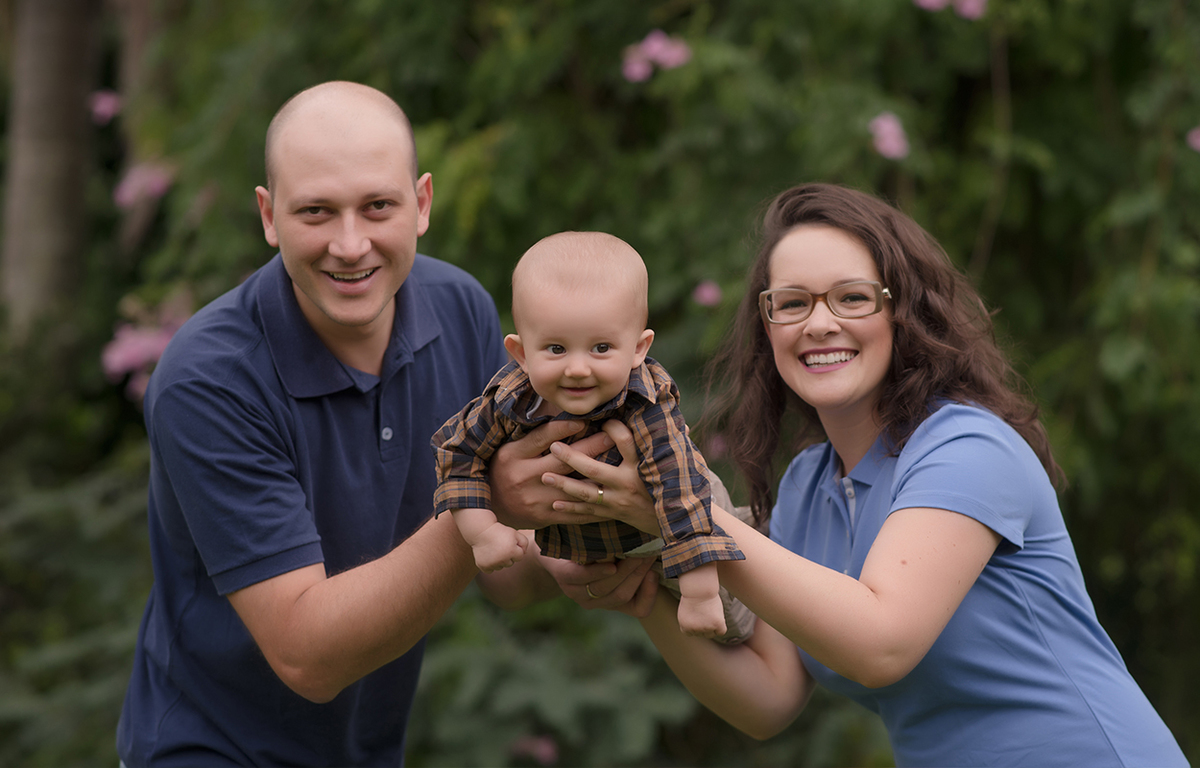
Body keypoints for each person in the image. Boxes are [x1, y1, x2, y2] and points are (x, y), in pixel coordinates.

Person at [538, 183, 1189, 767]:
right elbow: (767, 700)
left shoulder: (966, 446)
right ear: (766, 327)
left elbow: (881, 644)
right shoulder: (807, 487)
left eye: (852, 297)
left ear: (903, 312)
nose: (820, 323)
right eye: (790, 303)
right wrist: (645, 567)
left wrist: (682, 517)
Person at [114, 81, 616, 767]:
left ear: (422, 204)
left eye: (378, 206)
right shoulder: (209, 377)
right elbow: (306, 655)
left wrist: (600, 538)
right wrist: (484, 501)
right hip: (209, 751)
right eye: (316, 212)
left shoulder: (462, 310)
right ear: (269, 217)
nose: (350, 245)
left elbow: (510, 576)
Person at [432, 231, 749, 641]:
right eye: (556, 349)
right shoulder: (508, 401)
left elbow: (681, 491)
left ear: (638, 348)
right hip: (614, 550)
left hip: (686, 525)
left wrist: (700, 588)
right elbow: (456, 454)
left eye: (601, 347)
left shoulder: (643, 405)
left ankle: (764, 545)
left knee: (737, 628)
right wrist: (482, 531)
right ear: (521, 353)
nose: (578, 368)